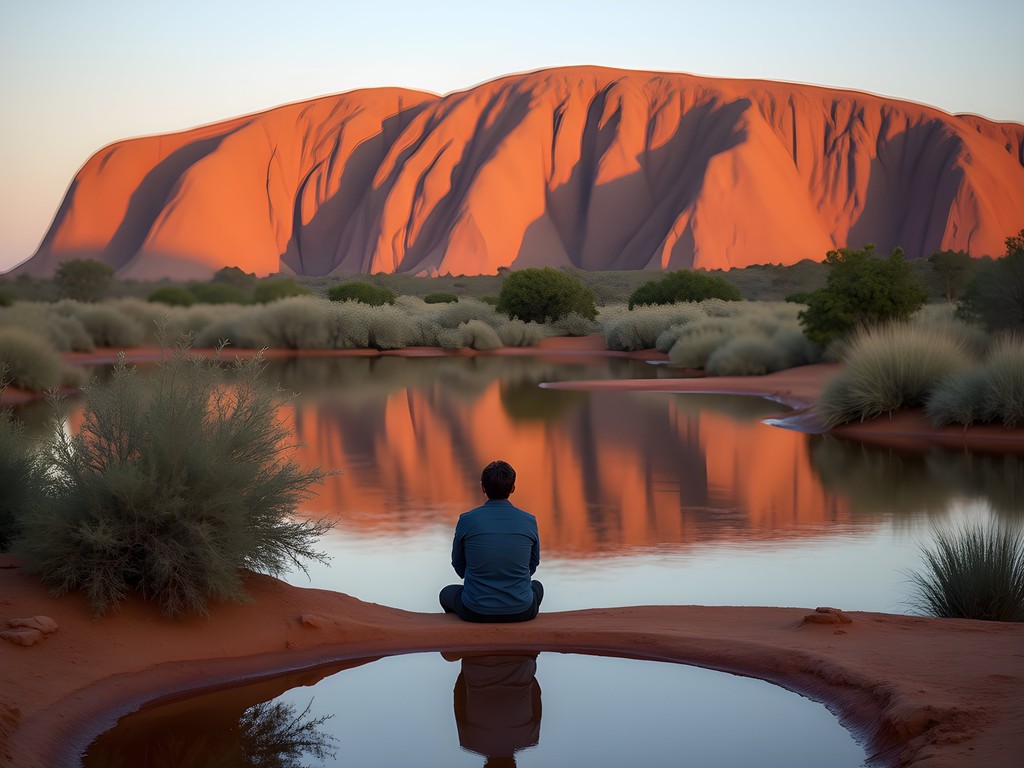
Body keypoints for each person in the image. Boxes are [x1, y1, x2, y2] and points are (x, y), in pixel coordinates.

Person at [439, 460, 543, 623]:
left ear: (483, 488)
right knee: (537, 587)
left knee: (446, 593)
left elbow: (458, 564)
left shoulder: (466, 520)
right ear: (513, 488)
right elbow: (533, 564)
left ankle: (461, 634)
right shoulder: (529, 520)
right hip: (521, 610)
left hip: (475, 610)